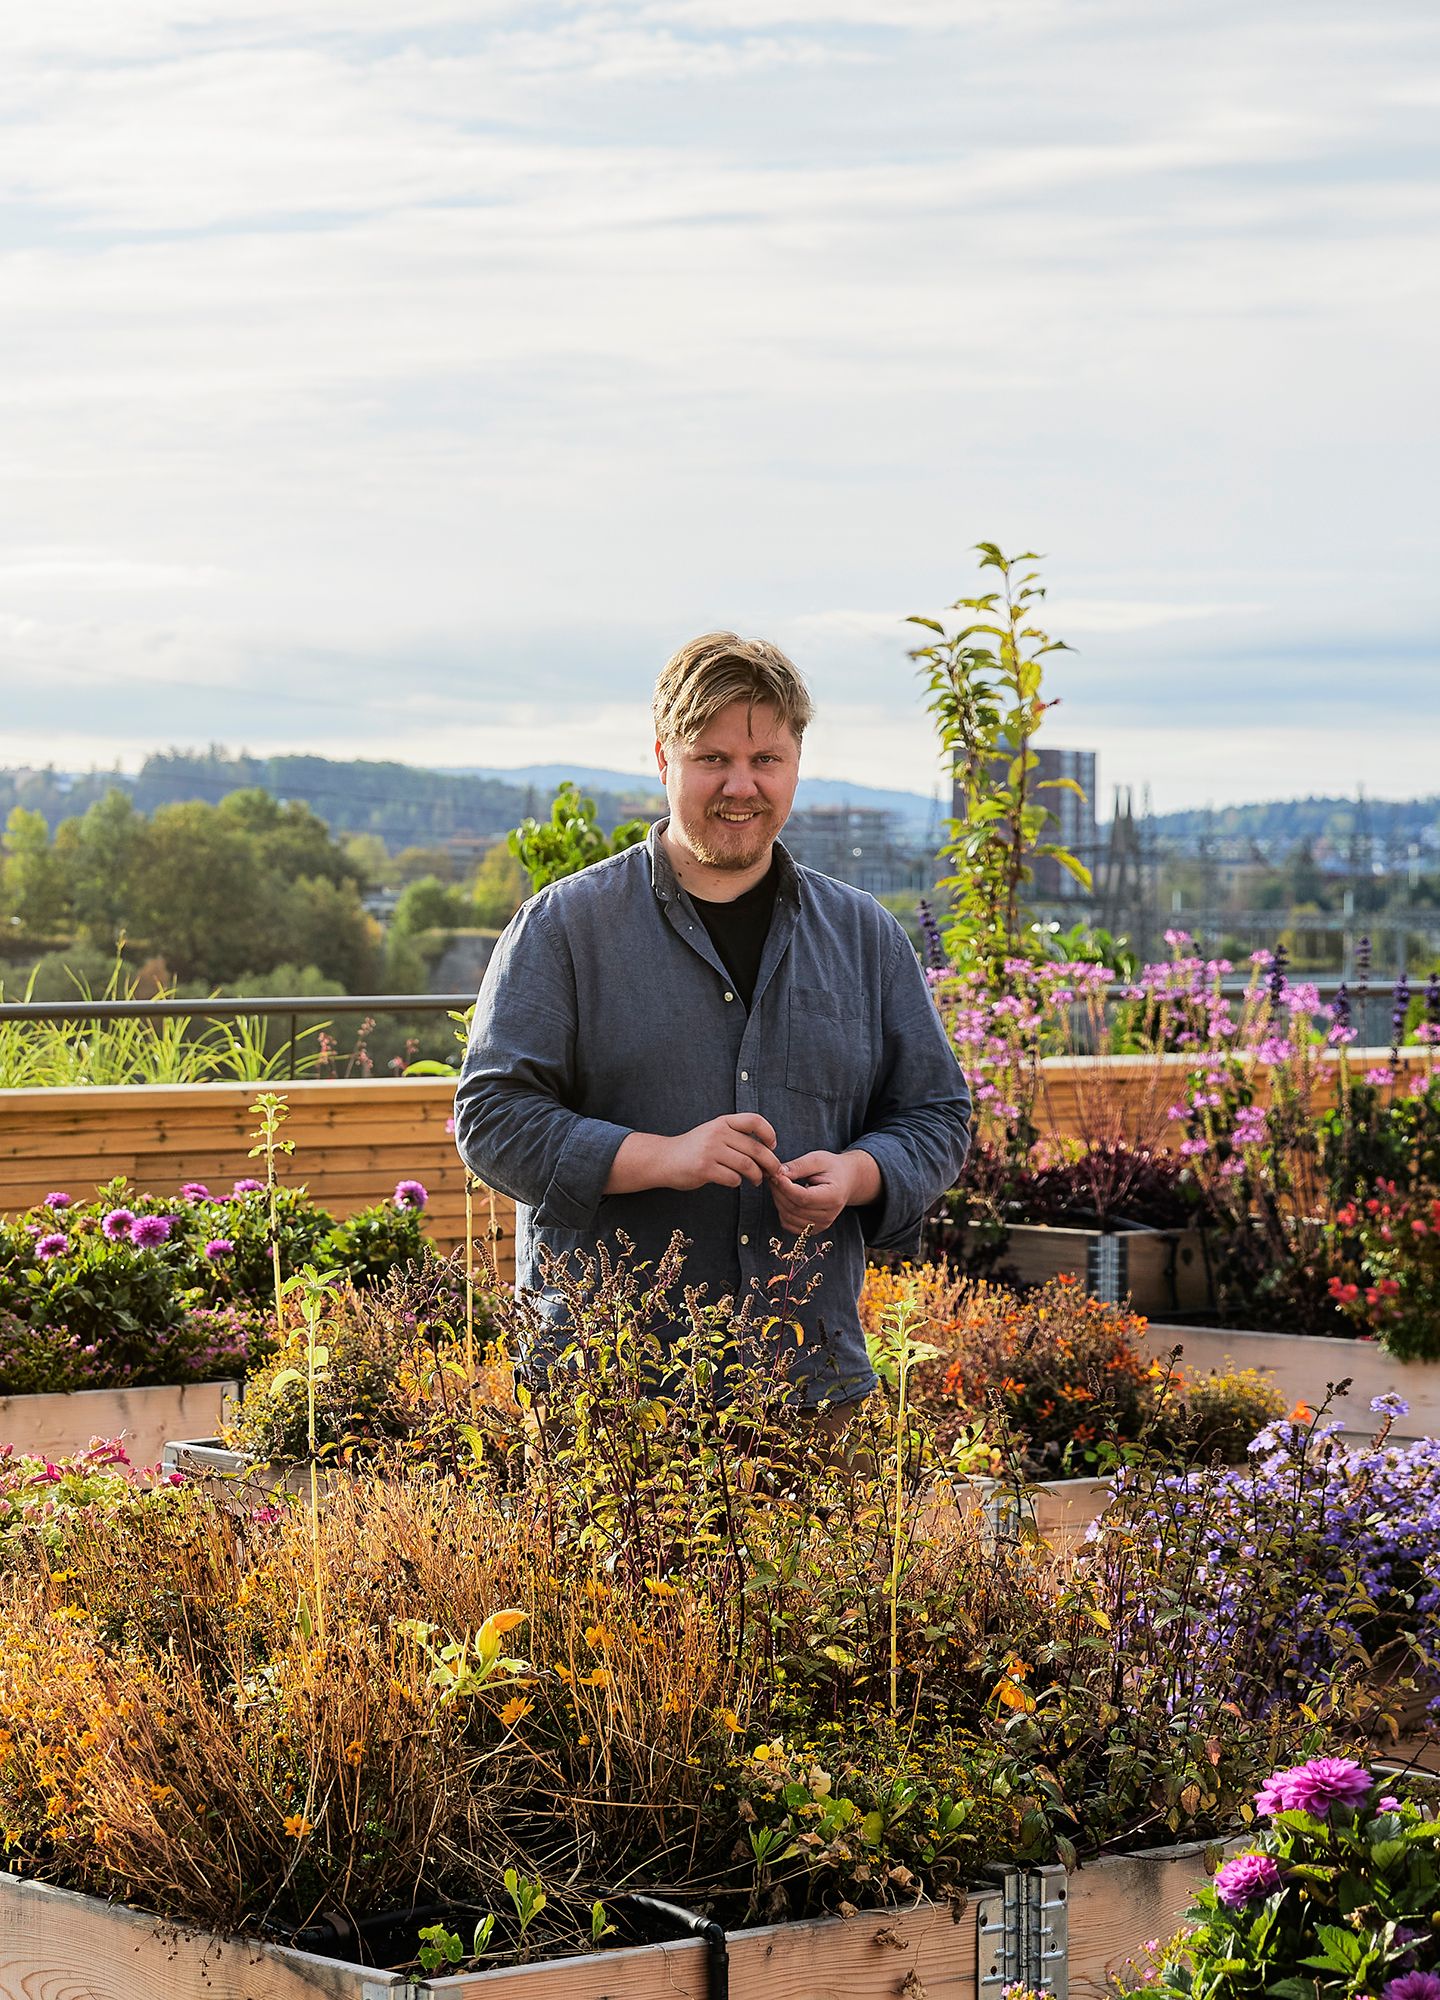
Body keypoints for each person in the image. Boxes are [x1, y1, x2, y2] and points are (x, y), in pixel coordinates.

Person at [453, 632, 971, 1417]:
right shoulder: (564, 928)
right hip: (613, 1397)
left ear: (797, 762)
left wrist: (857, 1175)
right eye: (712, 759)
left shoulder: (864, 936)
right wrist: (662, 1157)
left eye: (766, 760)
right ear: (663, 759)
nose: (742, 786)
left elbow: (936, 1114)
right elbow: (492, 1120)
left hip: (811, 1385)